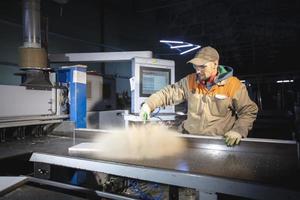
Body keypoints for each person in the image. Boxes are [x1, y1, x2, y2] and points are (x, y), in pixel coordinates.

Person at [140, 46, 258, 146]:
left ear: (215, 64)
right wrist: (148, 105)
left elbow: (248, 111)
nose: (197, 70)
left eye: (202, 66)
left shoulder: (233, 85)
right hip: (190, 141)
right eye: (195, 66)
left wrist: (238, 130)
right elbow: (167, 94)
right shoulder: (190, 81)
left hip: (218, 144)